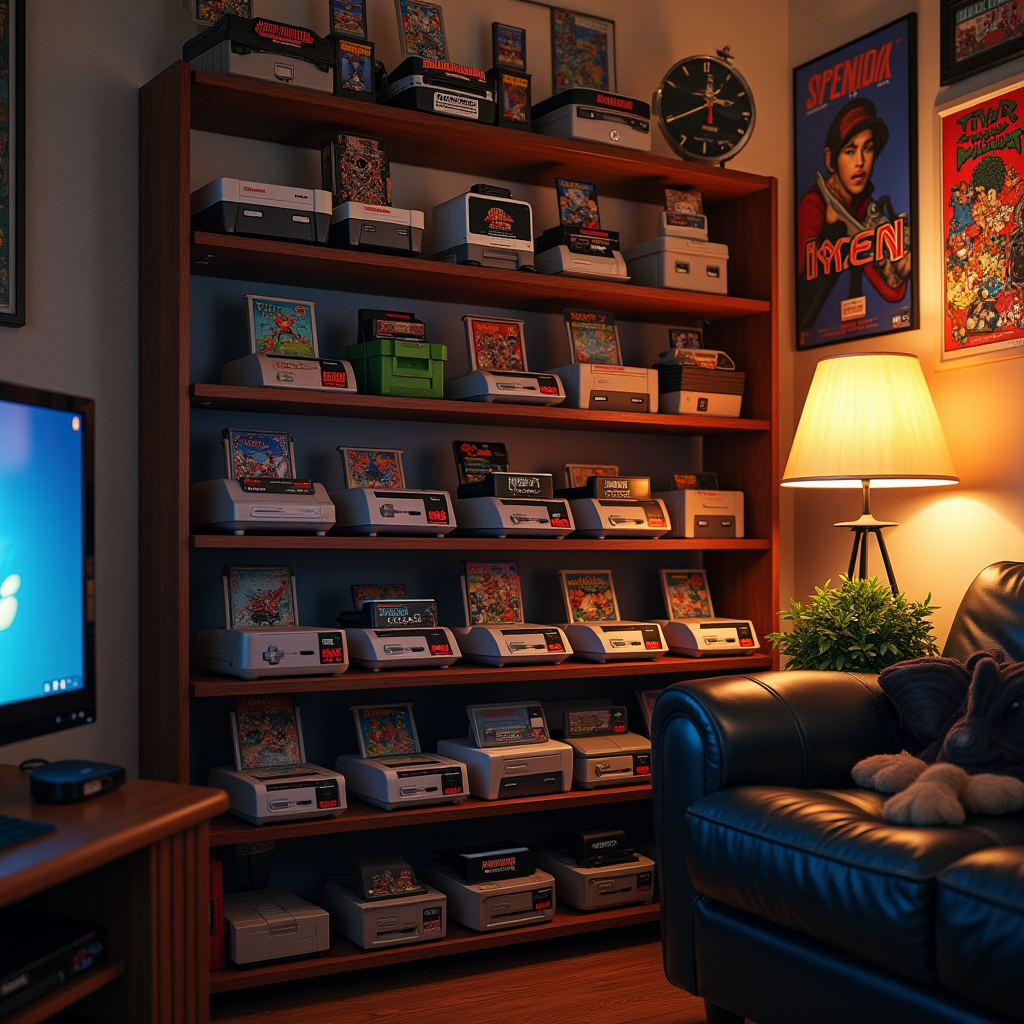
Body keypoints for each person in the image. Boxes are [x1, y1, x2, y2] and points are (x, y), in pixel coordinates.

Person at [797, 97, 912, 335]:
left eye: (867, 149)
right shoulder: (813, 205)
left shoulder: (864, 208)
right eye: (850, 151)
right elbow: (802, 293)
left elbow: (887, 288)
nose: (860, 162)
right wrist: (830, 233)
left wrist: (897, 273)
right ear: (830, 159)